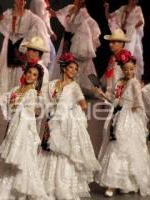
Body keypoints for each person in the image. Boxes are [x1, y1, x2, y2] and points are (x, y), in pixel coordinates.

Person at [38, 52, 100, 200]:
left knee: (62, 152)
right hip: (51, 120)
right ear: (65, 68)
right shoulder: (53, 84)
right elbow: (45, 100)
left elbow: (84, 106)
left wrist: (69, 112)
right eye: (72, 67)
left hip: (66, 124)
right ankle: (47, 184)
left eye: (76, 69)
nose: (74, 71)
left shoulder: (74, 87)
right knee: (49, 150)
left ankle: (62, 185)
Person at [0, 63, 49, 200]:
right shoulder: (16, 89)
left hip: (24, 130)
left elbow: (31, 112)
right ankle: (6, 193)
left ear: (37, 79)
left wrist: (18, 107)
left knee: (21, 159)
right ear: (24, 74)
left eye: (34, 75)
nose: (31, 76)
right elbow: (5, 99)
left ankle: (19, 193)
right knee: (9, 159)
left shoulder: (32, 93)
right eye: (29, 73)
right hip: (13, 128)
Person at [93, 49, 150, 197]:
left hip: (129, 116)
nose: (128, 71)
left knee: (126, 148)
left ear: (134, 69)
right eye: (125, 69)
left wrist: (131, 107)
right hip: (118, 114)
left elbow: (138, 101)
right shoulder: (119, 82)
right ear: (122, 69)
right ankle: (113, 183)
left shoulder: (134, 83)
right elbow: (113, 99)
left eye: (131, 69)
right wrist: (102, 94)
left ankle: (126, 182)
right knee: (114, 146)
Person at [0, 0, 50, 95]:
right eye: (20, 0)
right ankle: (7, 92)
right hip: (10, 43)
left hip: (21, 44)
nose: (22, 2)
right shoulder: (9, 13)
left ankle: (18, 91)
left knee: (21, 67)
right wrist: (2, 18)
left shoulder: (29, 15)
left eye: (24, 0)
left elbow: (39, 23)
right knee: (8, 67)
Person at [50, 0, 101, 94]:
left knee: (81, 64)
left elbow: (90, 24)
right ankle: (65, 85)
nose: (77, 1)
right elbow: (57, 15)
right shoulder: (70, 8)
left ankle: (77, 88)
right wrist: (50, 10)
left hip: (77, 41)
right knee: (66, 62)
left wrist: (91, 39)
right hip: (68, 38)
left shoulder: (83, 12)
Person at [104, 0, 144, 79]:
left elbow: (141, 21)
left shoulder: (137, 9)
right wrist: (107, 8)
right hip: (123, 33)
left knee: (128, 53)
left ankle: (128, 77)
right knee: (118, 53)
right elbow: (109, 17)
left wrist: (132, 28)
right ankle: (117, 77)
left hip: (131, 34)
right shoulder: (123, 8)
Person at [102, 28, 130, 100]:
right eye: (110, 42)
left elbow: (128, 78)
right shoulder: (113, 57)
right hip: (112, 93)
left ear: (121, 44)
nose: (110, 44)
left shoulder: (125, 58)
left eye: (113, 42)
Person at [29, 0, 57, 71]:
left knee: (47, 55)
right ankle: (45, 77)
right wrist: (51, 33)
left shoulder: (39, 1)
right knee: (50, 55)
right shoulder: (39, 1)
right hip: (40, 32)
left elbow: (44, 17)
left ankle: (43, 76)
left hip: (40, 32)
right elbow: (42, 19)